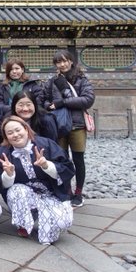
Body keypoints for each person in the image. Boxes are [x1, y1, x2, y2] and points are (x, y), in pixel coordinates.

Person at [0, 116, 75, 245]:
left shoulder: (46, 144)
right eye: (10, 133)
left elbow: (68, 168)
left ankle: (46, 215)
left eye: (18, 130)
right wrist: (8, 175)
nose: (15, 135)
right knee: (16, 190)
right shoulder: (3, 153)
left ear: (26, 129)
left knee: (62, 222)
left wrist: (46, 166)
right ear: (6, 137)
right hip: (24, 196)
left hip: (51, 194)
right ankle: (24, 223)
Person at [43, 49, 94, 208]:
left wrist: (62, 102)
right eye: (58, 62)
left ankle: (78, 192)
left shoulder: (81, 80)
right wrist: (49, 106)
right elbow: (43, 100)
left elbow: (88, 99)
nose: (62, 64)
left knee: (78, 159)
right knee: (62, 159)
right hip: (59, 124)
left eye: (65, 61)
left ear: (71, 61)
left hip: (77, 125)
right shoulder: (52, 81)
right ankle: (67, 190)